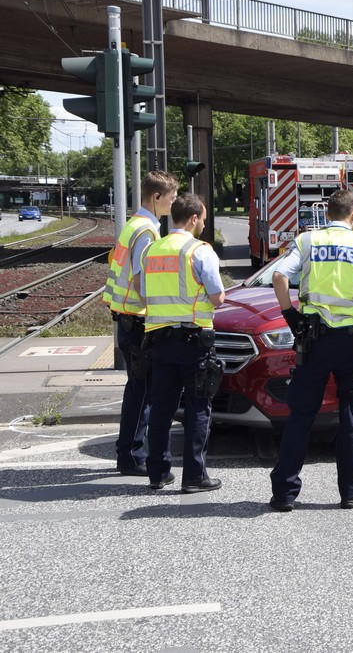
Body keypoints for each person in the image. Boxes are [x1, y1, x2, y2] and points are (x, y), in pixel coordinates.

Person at [269, 190, 353, 512]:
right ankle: (351, 492)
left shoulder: (307, 241)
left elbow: (278, 276)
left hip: (313, 341)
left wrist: (291, 317)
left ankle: (285, 494)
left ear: (329, 213)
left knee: (301, 414)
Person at [141, 194, 226, 493]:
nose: (203, 223)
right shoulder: (199, 251)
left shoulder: (153, 249)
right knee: (198, 406)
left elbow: (142, 295)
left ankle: (158, 473)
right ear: (193, 218)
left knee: (161, 407)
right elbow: (218, 297)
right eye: (202, 218)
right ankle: (194, 475)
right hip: (193, 340)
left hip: (159, 340)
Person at [103, 170, 178, 476]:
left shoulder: (134, 224)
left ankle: (130, 452)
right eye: (171, 197)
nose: (173, 202)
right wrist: (156, 312)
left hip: (126, 317)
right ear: (156, 197)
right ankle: (131, 456)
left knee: (138, 388)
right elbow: (140, 278)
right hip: (137, 319)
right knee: (142, 391)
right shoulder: (146, 231)